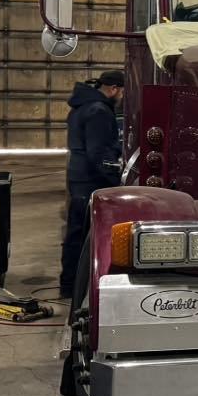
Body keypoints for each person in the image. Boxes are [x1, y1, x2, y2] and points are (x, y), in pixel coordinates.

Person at [60, 70, 124, 300]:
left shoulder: (82, 105)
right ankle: (73, 287)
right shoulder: (98, 111)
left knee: (76, 232)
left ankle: (68, 284)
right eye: (122, 92)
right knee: (84, 236)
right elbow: (99, 153)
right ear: (114, 89)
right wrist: (115, 180)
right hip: (90, 180)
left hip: (78, 177)